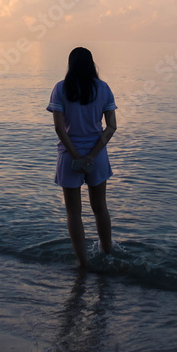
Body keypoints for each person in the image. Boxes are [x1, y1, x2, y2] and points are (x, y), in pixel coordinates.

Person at [46, 47, 118, 269]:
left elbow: (60, 128)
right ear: (92, 64)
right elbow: (111, 127)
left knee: (73, 213)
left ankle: (82, 263)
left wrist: (76, 155)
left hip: (69, 158)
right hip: (97, 158)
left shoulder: (61, 88)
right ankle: (108, 255)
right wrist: (91, 156)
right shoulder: (103, 89)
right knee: (100, 208)